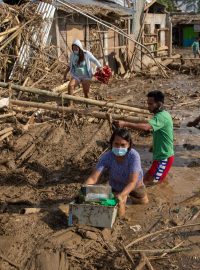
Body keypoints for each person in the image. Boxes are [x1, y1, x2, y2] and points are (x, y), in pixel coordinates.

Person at [85, 128, 148, 218]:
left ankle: (128, 198)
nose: (119, 148)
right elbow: (93, 178)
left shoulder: (134, 156)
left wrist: (123, 194)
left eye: (123, 145)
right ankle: (121, 218)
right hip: (116, 185)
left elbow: (132, 182)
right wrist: (84, 188)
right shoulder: (107, 156)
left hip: (135, 186)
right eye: (116, 144)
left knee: (143, 203)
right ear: (111, 143)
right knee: (118, 213)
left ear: (129, 145)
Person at [115, 91, 174, 185]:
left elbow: (146, 127)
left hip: (164, 158)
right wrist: (154, 146)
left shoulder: (161, 117)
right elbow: (165, 134)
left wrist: (125, 124)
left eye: (150, 104)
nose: (148, 106)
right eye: (147, 103)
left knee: (149, 183)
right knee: (146, 179)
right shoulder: (163, 114)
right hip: (161, 155)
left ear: (159, 103)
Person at [63, 39, 102, 105]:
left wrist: (100, 67)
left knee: (86, 91)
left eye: (76, 47)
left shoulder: (86, 54)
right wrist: (65, 74)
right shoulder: (72, 55)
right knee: (70, 86)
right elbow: (70, 65)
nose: (75, 49)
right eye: (73, 47)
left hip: (86, 76)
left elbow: (95, 60)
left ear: (79, 47)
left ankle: (87, 104)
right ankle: (71, 104)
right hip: (76, 75)